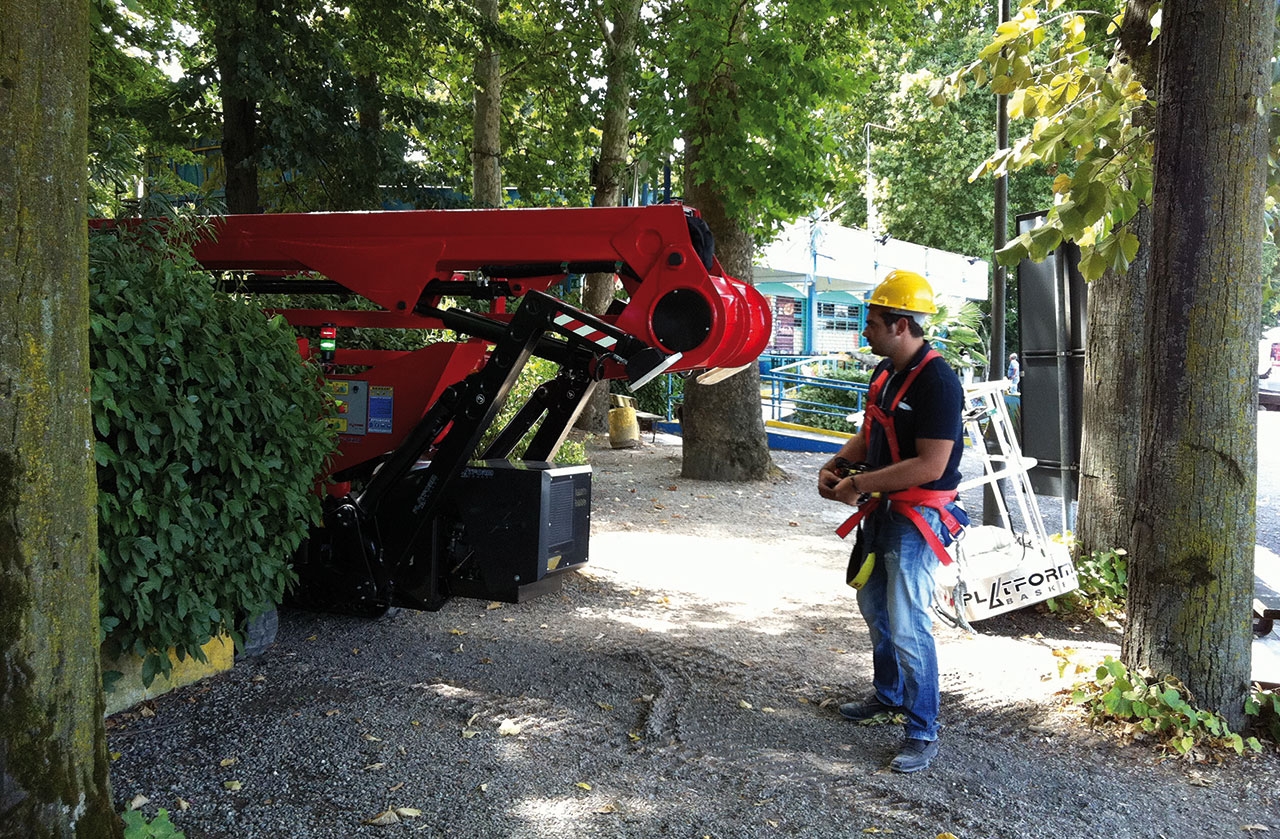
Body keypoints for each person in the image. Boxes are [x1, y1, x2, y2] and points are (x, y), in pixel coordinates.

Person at [818, 269, 965, 774]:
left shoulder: (938, 383)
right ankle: (890, 694)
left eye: (873, 322)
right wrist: (837, 464)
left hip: (917, 513)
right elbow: (870, 434)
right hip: (885, 505)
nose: (865, 331)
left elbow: (933, 465)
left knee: (907, 622)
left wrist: (859, 484)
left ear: (901, 325)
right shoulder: (886, 374)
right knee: (874, 604)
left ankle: (923, 728)